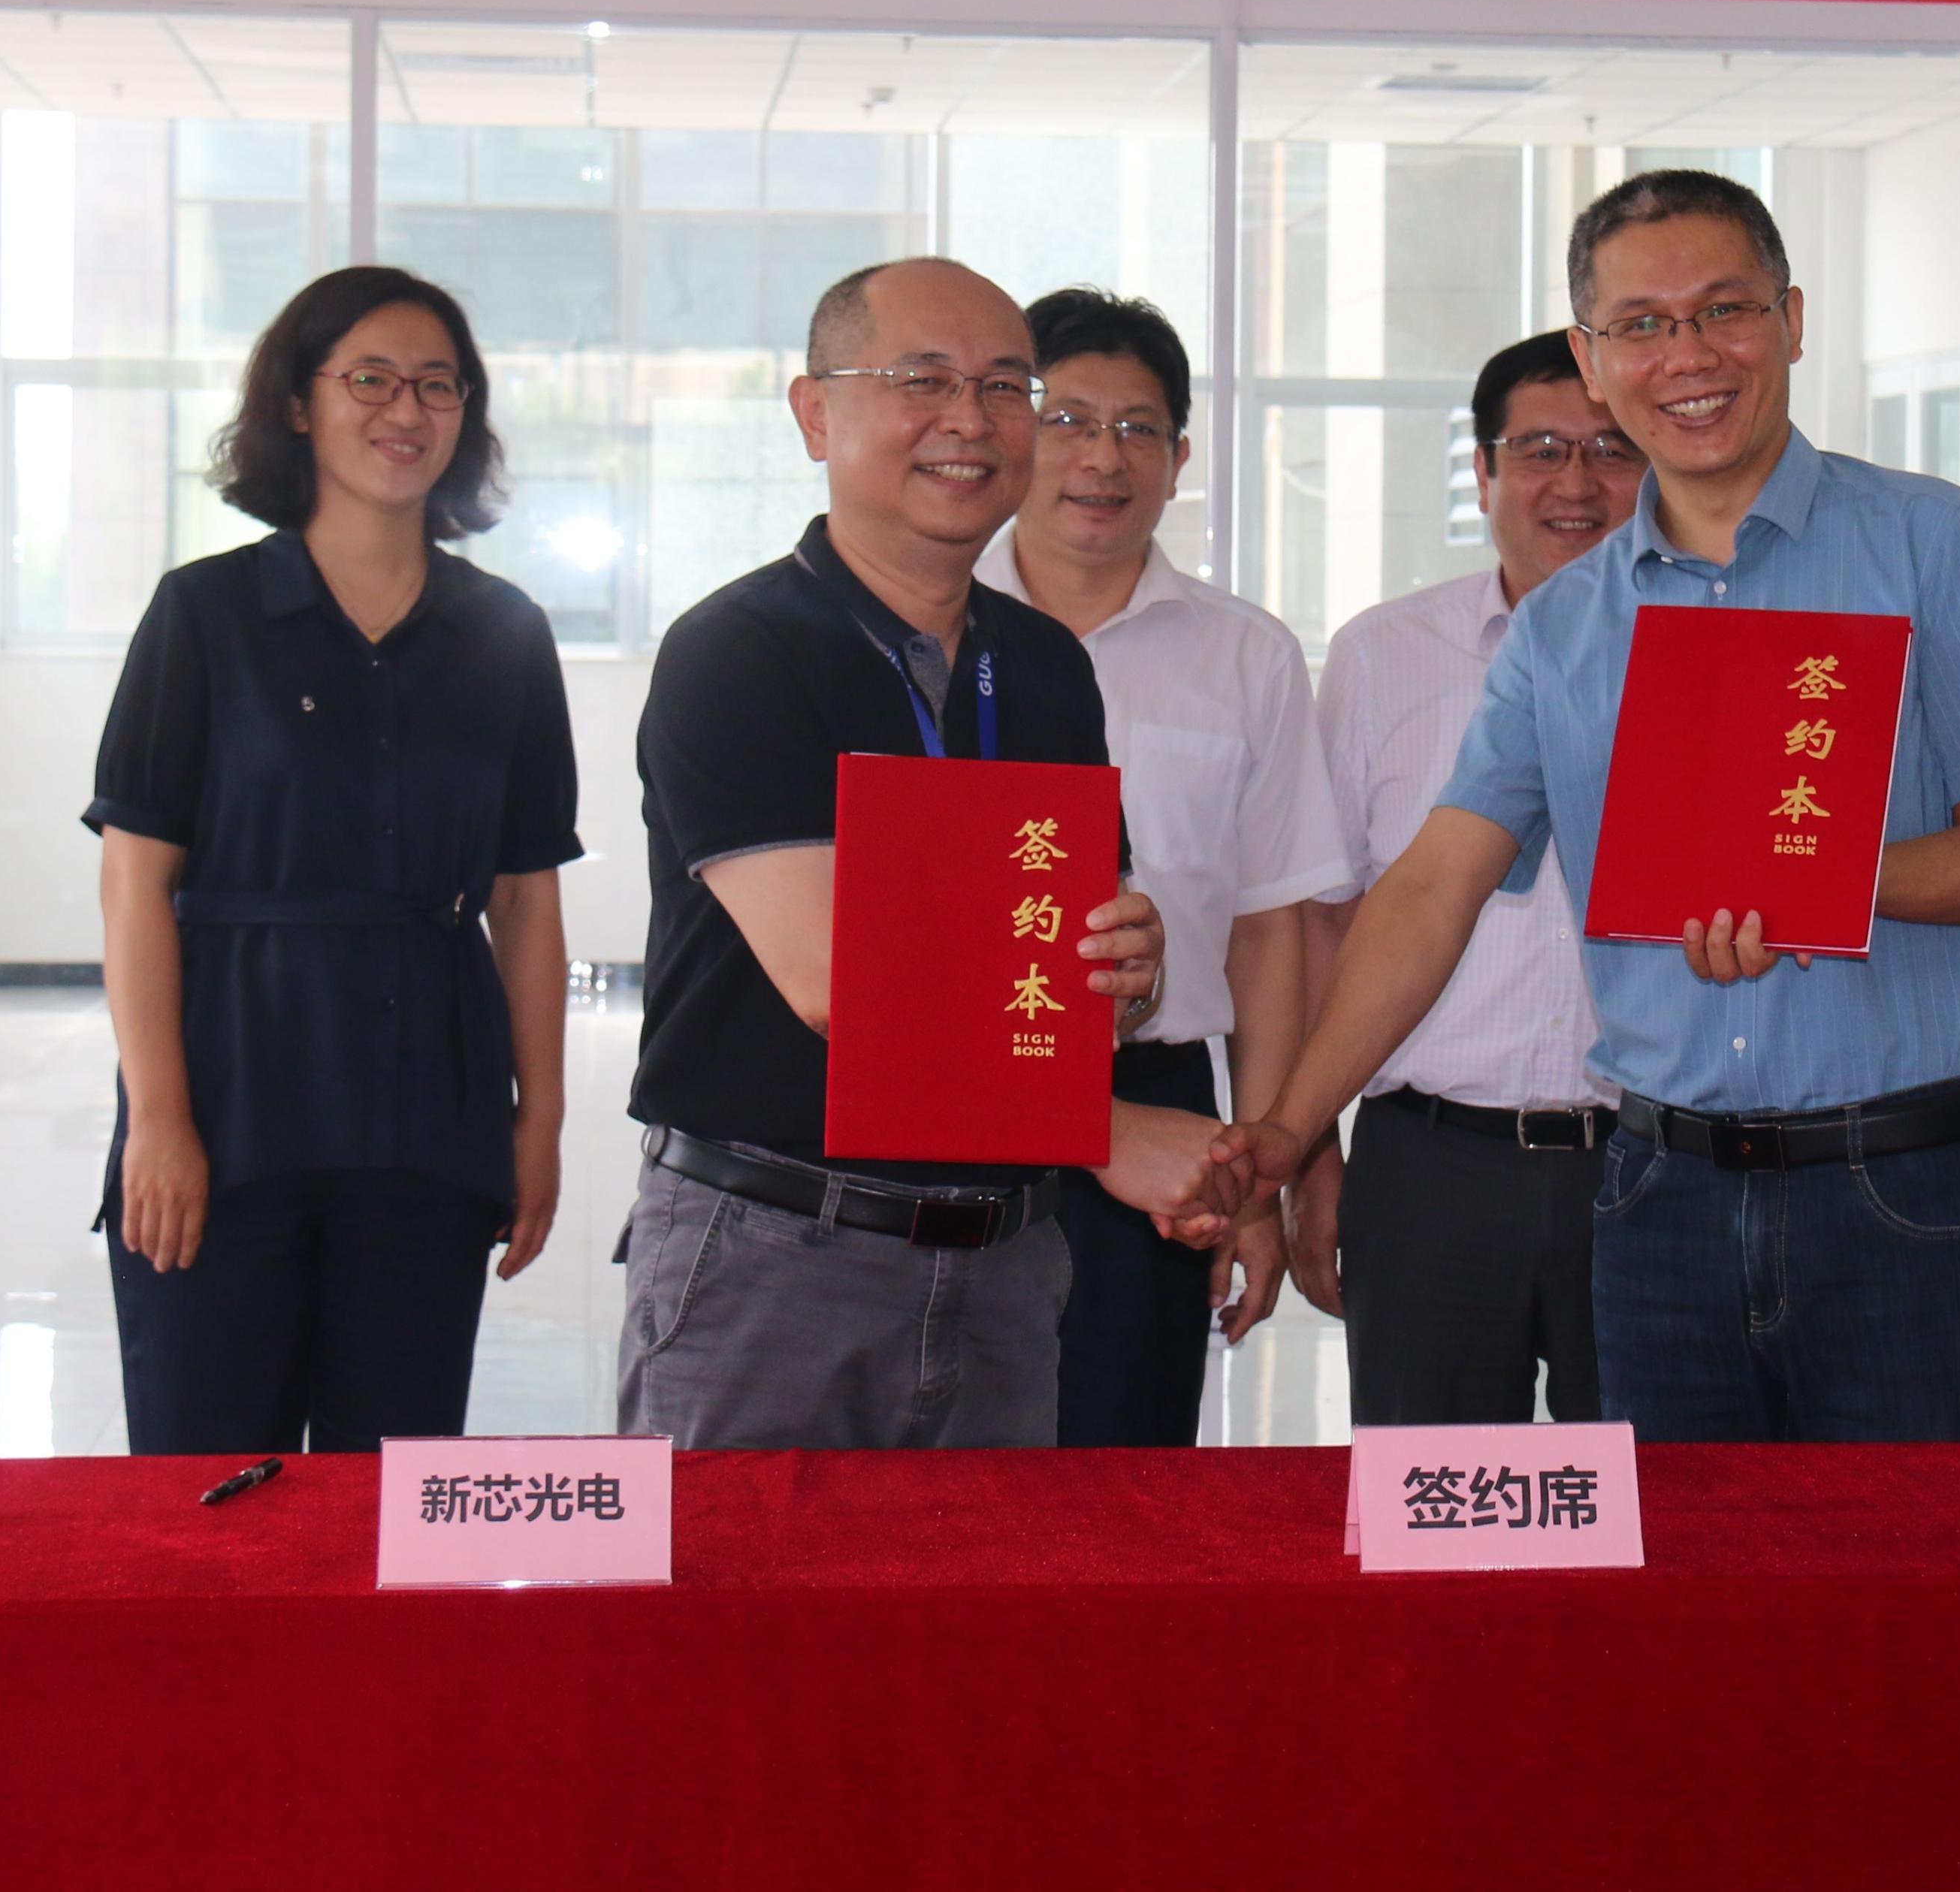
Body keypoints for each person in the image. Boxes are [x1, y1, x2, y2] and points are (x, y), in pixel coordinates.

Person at [1216, 171, 1960, 1442]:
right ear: (1592, 355)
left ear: (1792, 318)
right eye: (1641, 324)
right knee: (1675, 1567)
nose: (1688, 355)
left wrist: (1795, 879)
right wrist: (1288, 1131)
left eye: (1725, 309)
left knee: (1920, 1561)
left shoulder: (1933, 541)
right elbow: (1435, 883)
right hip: (1658, 1201)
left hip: (1902, 1191)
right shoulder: (1567, 624)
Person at [618, 256, 1212, 1451]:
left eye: (1004, 387)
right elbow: (841, 983)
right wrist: (1104, 1129)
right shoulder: (739, 651)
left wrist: (1125, 968)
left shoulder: (1044, 667)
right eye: (923, 379)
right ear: (815, 412)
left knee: (982, 1581)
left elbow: (1064, 967)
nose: (970, 419)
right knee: (744, 1580)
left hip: (1006, 1260)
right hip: (778, 1250)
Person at [86, 266, 577, 1457]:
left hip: (431, 1116)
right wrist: (159, 1118)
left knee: (393, 1487)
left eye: (438, 385)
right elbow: (135, 883)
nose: (407, 410)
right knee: (208, 1485)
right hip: (230, 1101)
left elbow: (524, 898)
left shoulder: (504, 633)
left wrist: (541, 1120)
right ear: (298, 403)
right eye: (371, 378)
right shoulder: (203, 615)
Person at [978, 288, 1351, 1446]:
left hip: (1162, 1097)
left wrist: (1258, 1182)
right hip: (959, 1092)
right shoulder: (932, 626)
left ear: (1181, 457)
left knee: (1123, 1468)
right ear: (1013, 430)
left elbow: (1269, 931)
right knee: (942, 1473)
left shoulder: (1246, 655)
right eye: (1069, 420)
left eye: (1138, 428)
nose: (1104, 458)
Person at [1293, 331, 1640, 1425]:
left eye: (1612, 450)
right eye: (1540, 449)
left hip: (1648, 1168)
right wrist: (1312, 1155)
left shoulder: (1712, 660)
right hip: (1430, 1164)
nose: (1577, 482)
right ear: (1484, 472)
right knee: (1431, 1499)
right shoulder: (1380, 655)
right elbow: (1326, 925)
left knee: (1654, 1502)